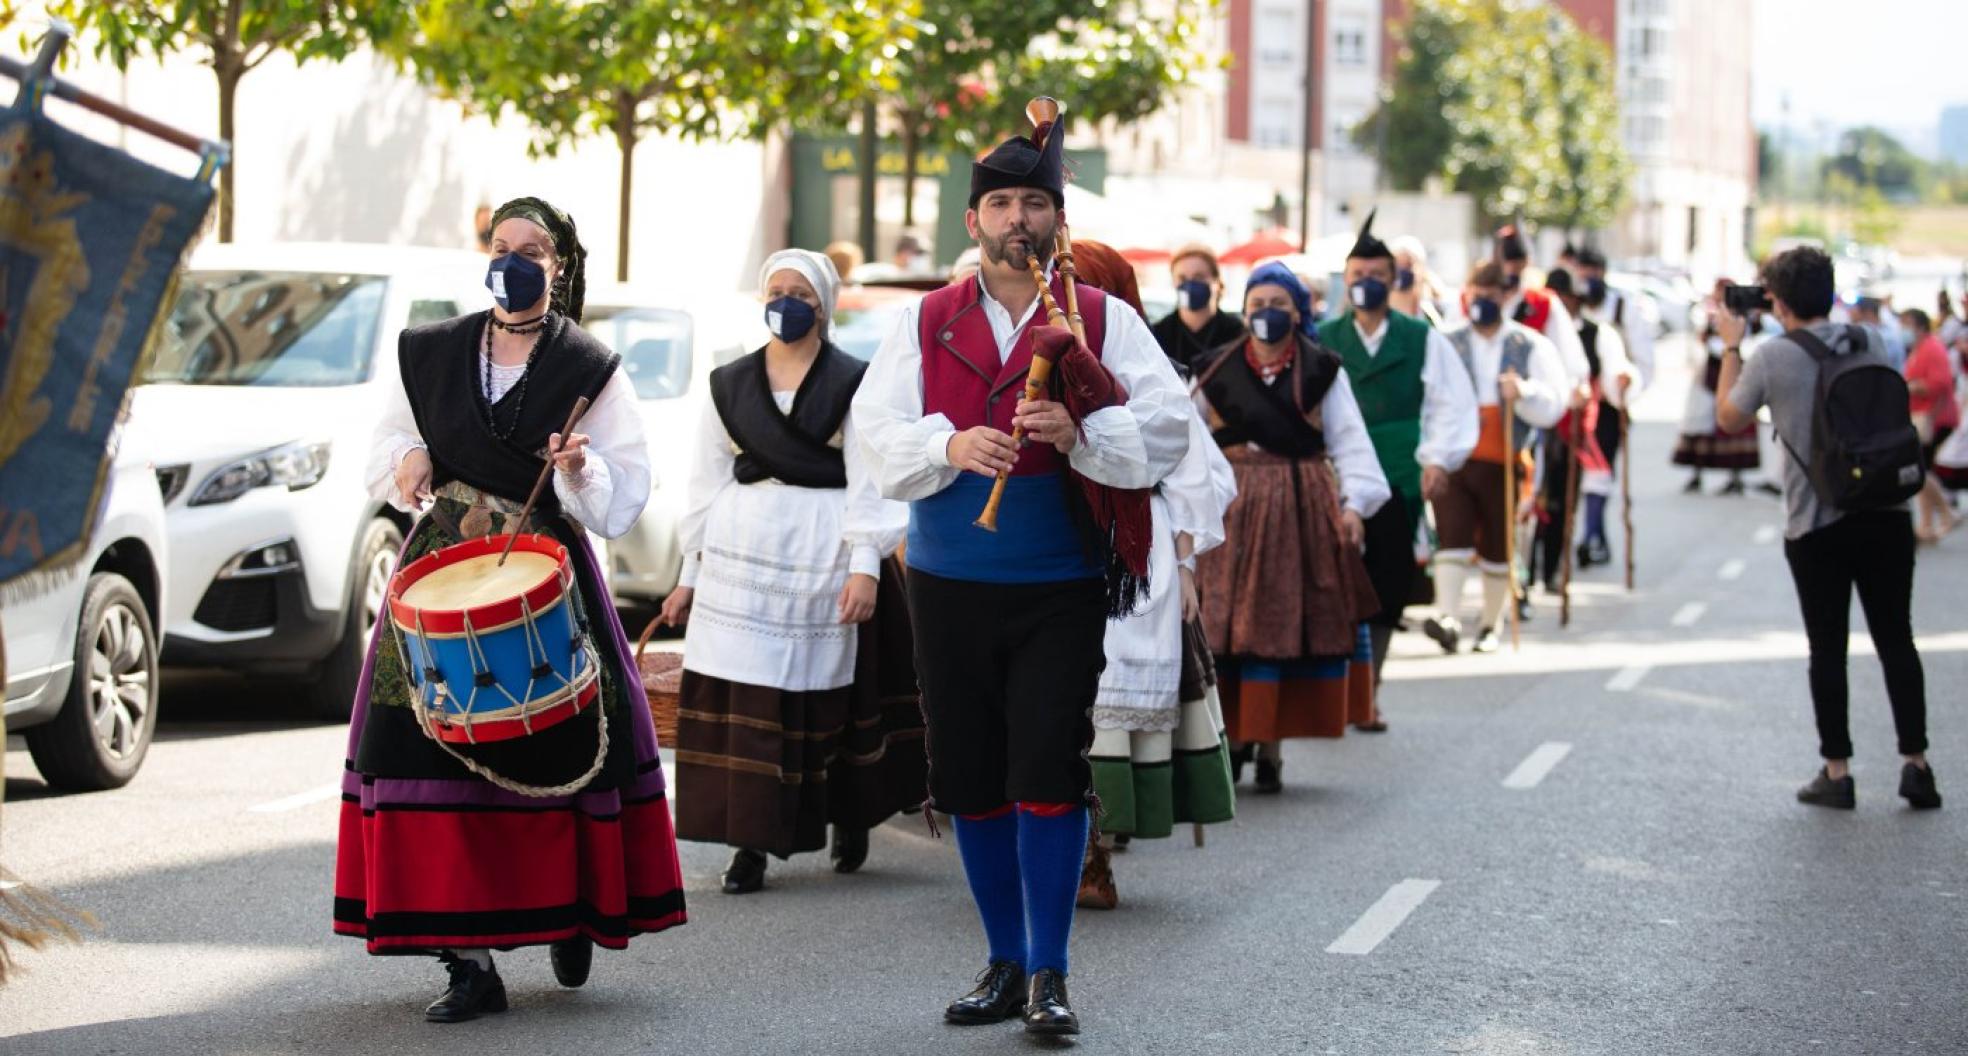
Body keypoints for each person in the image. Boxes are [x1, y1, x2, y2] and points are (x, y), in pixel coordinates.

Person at [851, 109, 1190, 1037]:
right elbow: (876, 439)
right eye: (998, 202)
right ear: (973, 222)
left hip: (1057, 584)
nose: (1016, 219)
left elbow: (1167, 429)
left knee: (1046, 765)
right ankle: (1002, 961)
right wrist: (950, 443)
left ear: (1057, 221)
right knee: (969, 779)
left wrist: (1084, 434)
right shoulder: (923, 322)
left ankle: (1050, 973)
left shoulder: (1103, 319)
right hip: (950, 581)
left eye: (1033, 202)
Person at [340, 197, 686, 1022]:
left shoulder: (589, 366)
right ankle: (467, 961)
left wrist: (578, 467)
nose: (514, 259)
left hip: (546, 576)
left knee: (561, 745)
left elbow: (622, 501)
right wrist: (408, 458)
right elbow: (380, 451)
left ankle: (568, 911)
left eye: (532, 249)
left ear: (559, 265)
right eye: (502, 246)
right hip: (440, 568)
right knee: (424, 752)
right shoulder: (429, 352)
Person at [660, 249, 919, 895]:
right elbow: (704, 482)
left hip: (822, 550)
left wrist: (866, 565)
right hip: (739, 555)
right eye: (775, 289)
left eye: (799, 291)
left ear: (823, 306)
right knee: (747, 695)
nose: (785, 301)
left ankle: (847, 817)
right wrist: (689, 572)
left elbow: (871, 477)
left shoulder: (855, 381)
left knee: (825, 699)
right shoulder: (730, 384)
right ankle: (748, 841)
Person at [1715, 245, 1939, 812]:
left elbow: (1728, 417)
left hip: (1817, 521)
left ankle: (1837, 772)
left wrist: (1730, 346)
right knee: (1897, 639)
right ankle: (1916, 766)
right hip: (1888, 511)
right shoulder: (1876, 340)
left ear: (1778, 299)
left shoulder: (1770, 357)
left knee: (1828, 648)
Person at [1067, 243, 1238, 910]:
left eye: (1081, 286)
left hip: (1133, 556)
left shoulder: (1152, 374)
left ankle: (1095, 853)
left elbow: (1201, 476)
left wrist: (1187, 563)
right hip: (1051, 543)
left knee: (1104, 707)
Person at [1194, 260, 1389, 790]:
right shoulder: (1215, 368)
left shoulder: (1322, 368)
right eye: (1257, 305)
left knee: (1280, 625)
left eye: (1279, 306)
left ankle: (1272, 747)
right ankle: (1233, 742)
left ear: (1298, 312)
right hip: (1231, 505)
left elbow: (1351, 442)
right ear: (1243, 309)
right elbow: (1186, 443)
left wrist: (1353, 508)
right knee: (1228, 626)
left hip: (1299, 508)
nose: (1266, 315)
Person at [1318, 211, 1479, 729]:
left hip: (1398, 473)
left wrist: (1437, 457)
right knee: (1332, 582)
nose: (1366, 285)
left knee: (1385, 586)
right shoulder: (1323, 338)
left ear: (1395, 281)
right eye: (1357, 277)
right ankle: (1332, 688)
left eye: (1377, 277)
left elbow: (1451, 404)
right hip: (1335, 472)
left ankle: (1371, 691)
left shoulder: (1420, 337)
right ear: (1346, 280)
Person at [1422, 261, 1566, 655]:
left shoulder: (1528, 344)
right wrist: (1434, 453)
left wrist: (1524, 393)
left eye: (1490, 295)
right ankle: (1447, 616)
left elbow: (1554, 402)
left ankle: (1490, 623)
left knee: (1499, 545)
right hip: (1456, 455)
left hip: (1503, 456)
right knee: (1452, 535)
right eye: (1476, 295)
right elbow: (1431, 401)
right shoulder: (1446, 341)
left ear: (1506, 297)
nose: (1482, 302)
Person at [1528, 267, 1637, 591]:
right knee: (1531, 502)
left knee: (1562, 502)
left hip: (1571, 429)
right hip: (1535, 424)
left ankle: (1550, 570)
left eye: (1567, 298)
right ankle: (1525, 576)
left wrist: (1621, 380)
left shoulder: (1597, 333)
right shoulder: (1534, 327)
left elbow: (1611, 375)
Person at [1570, 248, 1655, 567]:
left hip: (1607, 407)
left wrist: (1626, 384)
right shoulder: (1568, 308)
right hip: (1573, 405)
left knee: (1600, 473)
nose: (1588, 280)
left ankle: (1591, 534)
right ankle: (1589, 533)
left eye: (1594, 271)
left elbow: (1643, 361)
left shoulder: (1623, 309)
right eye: (1583, 272)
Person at [1673, 281, 1762, 494]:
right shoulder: (1712, 314)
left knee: (1736, 415)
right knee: (1703, 420)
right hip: (1713, 369)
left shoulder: (1743, 317)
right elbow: (1703, 337)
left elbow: (1753, 334)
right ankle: (1697, 473)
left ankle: (1735, 475)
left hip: (1734, 365)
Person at [1901, 307, 1962, 541]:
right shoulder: (1919, 348)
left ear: (1920, 326)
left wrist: (1914, 386)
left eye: (1907, 324)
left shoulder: (1931, 348)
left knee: (1920, 470)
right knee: (1923, 469)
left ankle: (1947, 512)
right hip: (1923, 415)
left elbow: (1941, 383)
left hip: (1935, 417)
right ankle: (1926, 525)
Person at [1151, 243, 1246, 378]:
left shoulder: (1236, 333)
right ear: (1174, 282)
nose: (1190, 284)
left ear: (1217, 282)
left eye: (1199, 277)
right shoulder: (1159, 333)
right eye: (1182, 278)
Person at [1388, 234, 1450, 329]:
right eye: (1398, 264)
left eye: (1408, 264)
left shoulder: (1429, 315)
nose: (1402, 269)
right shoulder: (1379, 313)